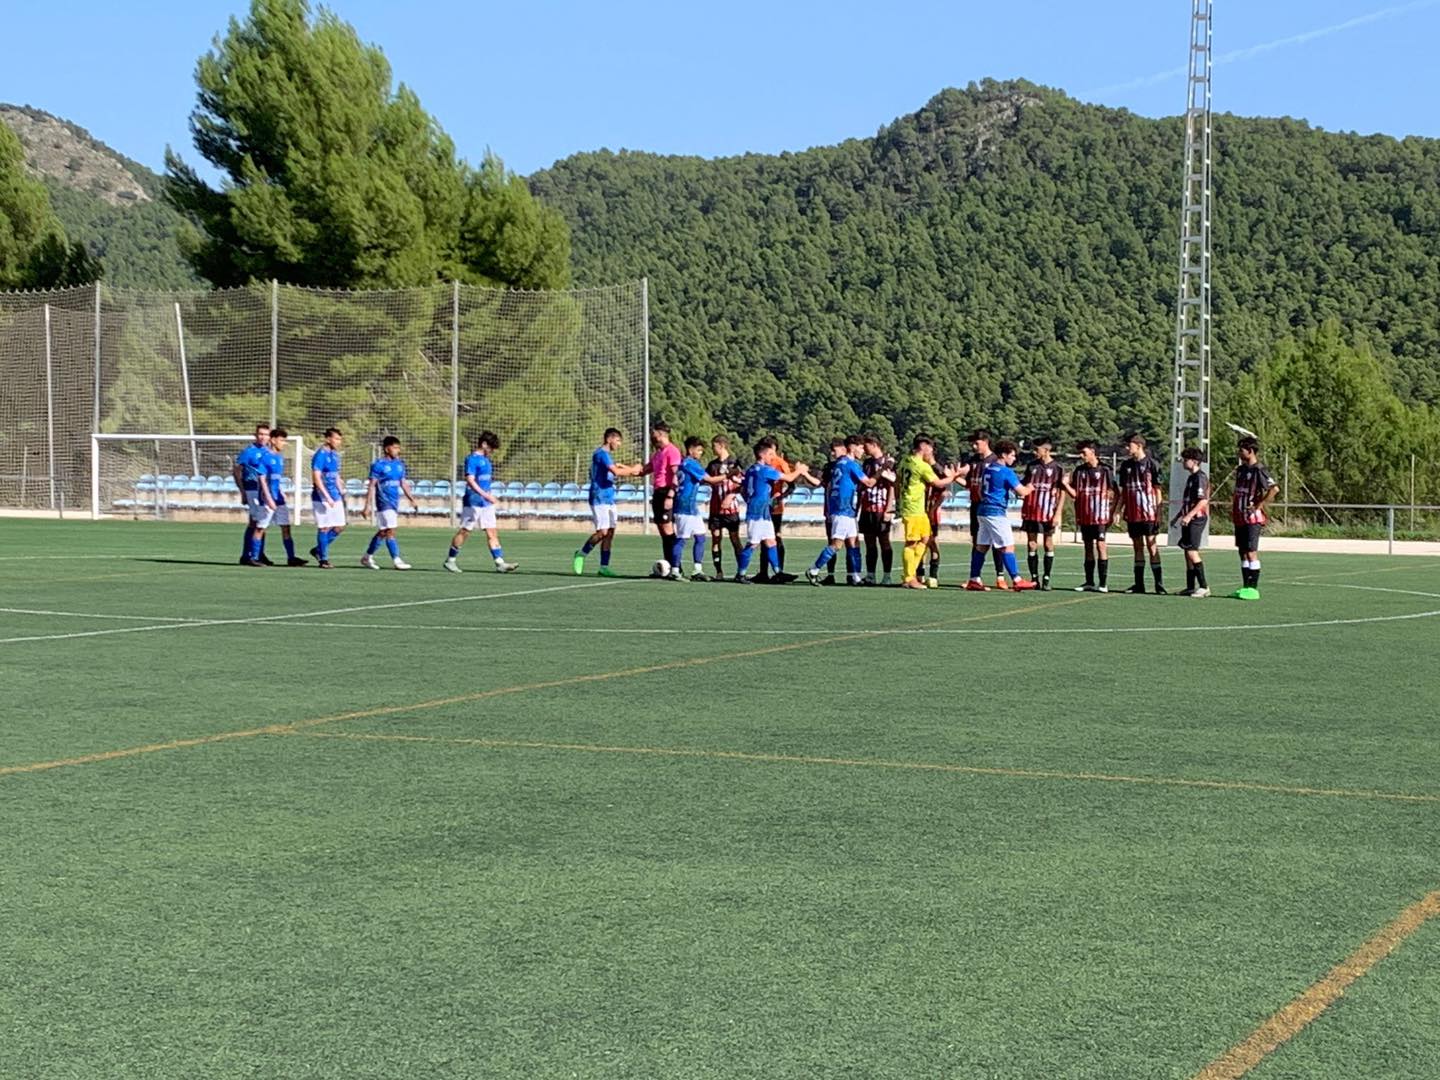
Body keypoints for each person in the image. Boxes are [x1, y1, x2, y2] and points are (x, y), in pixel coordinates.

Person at [735, 438, 811, 584]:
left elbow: (743, 489)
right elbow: (789, 477)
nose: (773, 458)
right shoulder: (765, 470)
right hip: (758, 512)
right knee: (753, 544)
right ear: (762, 455)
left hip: (762, 511)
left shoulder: (751, 469)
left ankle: (778, 572)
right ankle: (740, 574)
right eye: (770, 455)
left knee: (771, 542)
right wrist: (800, 470)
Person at [965, 441, 1036, 591]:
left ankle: (974, 579)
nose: (1014, 458)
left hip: (982, 511)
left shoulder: (988, 469)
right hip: (996, 513)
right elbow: (1021, 491)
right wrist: (1030, 488)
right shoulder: (1006, 472)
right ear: (1004, 455)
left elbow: (978, 490)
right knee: (1007, 546)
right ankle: (1016, 579)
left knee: (982, 546)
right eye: (1012, 455)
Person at [444, 431, 517, 574]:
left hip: (486, 502)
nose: (491, 451)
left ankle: (500, 563)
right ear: (483, 444)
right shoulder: (472, 459)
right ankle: (450, 560)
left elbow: (485, 482)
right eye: (490, 448)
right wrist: (485, 495)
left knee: (492, 531)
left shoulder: (487, 460)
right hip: (473, 500)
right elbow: (470, 481)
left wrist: (489, 495)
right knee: (465, 531)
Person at [894, 434, 960, 590]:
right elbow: (938, 483)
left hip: (917, 508)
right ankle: (909, 577)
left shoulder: (905, 461)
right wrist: (954, 476)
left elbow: (896, 482)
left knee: (925, 538)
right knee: (912, 542)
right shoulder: (920, 465)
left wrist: (898, 500)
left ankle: (910, 574)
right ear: (923, 446)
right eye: (930, 447)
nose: (931, 450)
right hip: (913, 507)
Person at [573, 428, 642, 576]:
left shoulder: (607, 456)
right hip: (599, 497)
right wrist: (633, 470)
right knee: (602, 532)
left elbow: (616, 468)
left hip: (609, 497)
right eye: (617, 441)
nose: (619, 444)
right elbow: (616, 472)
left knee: (610, 532)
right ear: (609, 439)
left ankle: (603, 567)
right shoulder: (601, 454)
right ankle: (581, 554)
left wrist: (630, 469)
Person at [806, 438, 875, 586]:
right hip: (842, 509)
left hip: (845, 509)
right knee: (837, 544)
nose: (863, 451)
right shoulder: (851, 465)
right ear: (852, 448)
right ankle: (813, 570)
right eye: (861, 448)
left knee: (854, 542)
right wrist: (882, 470)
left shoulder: (838, 464)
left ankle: (855, 576)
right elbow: (869, 483)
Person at [1117, 433, 1167, 594]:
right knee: (1137, 547)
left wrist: (1158, 512)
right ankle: (1139, 584)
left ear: (1138, 445)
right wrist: (1118, 509)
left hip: (1149, 513)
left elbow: (1158, 490)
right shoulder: (1126, 466)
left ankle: (1159, 585)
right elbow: (1124, 491)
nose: (1126, 448)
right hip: (1133, 513)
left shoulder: (1152, 464)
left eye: (1129, 445)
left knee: (1152, 547)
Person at [671, 436, 727, 580]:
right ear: (691, 450)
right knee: (682, 538)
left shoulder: (685, 463)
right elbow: (711, 480)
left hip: (690, 506)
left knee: (701, 537)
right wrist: (728, 475)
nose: (701, 453)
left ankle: (697, 570)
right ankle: (675, 570)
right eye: (699, 450)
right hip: (685, 505)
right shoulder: (691, 464)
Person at [1231, 436, 1279, 600]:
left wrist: (1259, 505)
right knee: (1242, 552)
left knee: (1251, 552)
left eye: (1241, 450)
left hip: (1252, 518)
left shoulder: (1259, 469)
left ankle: (1253, 588)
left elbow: (1274, 489)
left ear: (1250, 451)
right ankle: (1245, 586)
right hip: (1240, 517)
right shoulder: (1241, 470)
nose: (1239, 453)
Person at [361, 435, 419, 570]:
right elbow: (371, 485)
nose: (398, 450)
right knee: (390, 531)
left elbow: (403, 483)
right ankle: (397, 560)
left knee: (383, 531)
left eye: (398, 448)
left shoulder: (399, 465)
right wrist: (367, 505)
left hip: (394, 503)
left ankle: (367, 557)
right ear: (387, 449)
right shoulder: (378, 465)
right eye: (395, 448)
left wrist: (412, 499)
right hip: (383, 502)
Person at [959, 429, 1007, 586]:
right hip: (976, 506)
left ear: (985, 442)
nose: (973, 446)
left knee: (997, 542)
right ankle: (975, 577)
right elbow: (969, 484)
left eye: (976, 443)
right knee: (977, 541)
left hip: (991, 506)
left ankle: (1000, 576)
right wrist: (955, 477)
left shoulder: (994, 461)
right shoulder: (973, 461)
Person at [1020, 435, 1068, 590]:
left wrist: (1058, 512)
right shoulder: (1031, 466)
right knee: (1032, 544)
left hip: (1048, 513)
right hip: (1031, 511)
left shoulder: (1058, 468)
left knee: (1048, 543)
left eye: (1037, 449)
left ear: (1046, 450)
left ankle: (1047, 578)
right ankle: (1034, 579)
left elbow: (1062, 492)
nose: (1035, 452)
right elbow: (1024, 485)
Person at [1070, 440, 1119, 593]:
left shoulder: (1105, 470)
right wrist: (1065, 485)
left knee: (1101, 545)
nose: (1081, 456)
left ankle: (1103, 583)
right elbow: (1075, 494)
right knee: (1088, 547)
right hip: (1085, 515)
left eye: (1084, 453)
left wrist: (1113, 511)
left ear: (1093, 452)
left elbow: (1116, 492)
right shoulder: (1079, 471)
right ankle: (1089, 582)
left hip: (1101, 515)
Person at [262, 428, 307, 567]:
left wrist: (280, 492)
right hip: (267, 498)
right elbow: (262, 479)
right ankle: (257, 555)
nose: (283, 443)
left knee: (286, 527)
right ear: (273, 440)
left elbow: (275, 480)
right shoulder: (265, 457)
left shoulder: (279, 458)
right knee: (261, 528)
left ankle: (291, 557)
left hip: (278, 498)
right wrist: (267, 497)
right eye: (281, 440)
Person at [640, 422, 683, 572]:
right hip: (658, 492)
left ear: (661, 434)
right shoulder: (657, 453)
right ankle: (668, 566)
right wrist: (622, 469)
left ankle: (677, 567)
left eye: (654, 434)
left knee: (668, 530)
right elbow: (644, 470)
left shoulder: (672, 451)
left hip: (666, 492)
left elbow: (677, 475)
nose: (652, 436)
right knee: (662, 532)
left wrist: (670, 495)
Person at [1171, 447, 1211, 597]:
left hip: (1197, 519)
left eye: (1185, 459)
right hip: (1188, 519)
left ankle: (1204, 586)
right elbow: (1188, 501)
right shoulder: (1191, 477)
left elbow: (1202, 501)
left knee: (1192, 551)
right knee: (1187, 551)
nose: (1182, 461)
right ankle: (1190, 586)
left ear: (1194, 461)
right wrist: (1179, 516)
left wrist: (1189, 516)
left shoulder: (1200, 477)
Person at [859, 433, 897, 585]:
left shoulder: (887, 462)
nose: (864, 448)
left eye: (865, 445)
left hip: (881, 507)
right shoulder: (867, 463)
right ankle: (870, 575)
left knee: (884, 541)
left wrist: (889, 509)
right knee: (869, 543)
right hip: (867, 507)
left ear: (874, 445)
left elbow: (893, 485)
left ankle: (887, 576)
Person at [706, 436, 745, 580]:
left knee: (735, 539)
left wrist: (732, 495)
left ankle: (741, 571)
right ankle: (719, 572)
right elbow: (706, 480)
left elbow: (743, 484)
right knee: (716, 539)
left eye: (714, 446)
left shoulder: (735, 463)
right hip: (715, 509)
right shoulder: (712, 465)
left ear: (721, 446)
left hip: (731, 510)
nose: (712, 449)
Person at [309, 427, 346, 569]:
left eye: (339, 439)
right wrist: (326, 496)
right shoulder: (320, 455)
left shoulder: (335, 455)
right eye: (336, 438)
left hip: (335, 495)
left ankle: (318, 550)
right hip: (322, 497)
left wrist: (340, 488)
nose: (338, 442)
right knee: (324, 527)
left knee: (339, 527)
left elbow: (335, 474)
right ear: (328, 439)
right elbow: (316, 478)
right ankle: (323, 559)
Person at [234, 422, 270, 566]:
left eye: (266, 434)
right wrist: (242, 491)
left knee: (261, 522)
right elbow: (237, 471)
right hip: (252, 488)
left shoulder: (269, 451)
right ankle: (248, 555)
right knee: (256, 522)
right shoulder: (249, 451)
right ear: (255, 435)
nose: (263, 437)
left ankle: (257, 553)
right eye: (260, 434)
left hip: (263, 490)